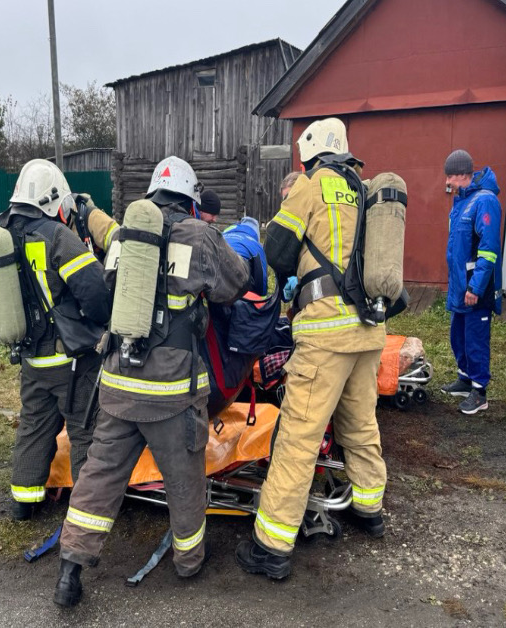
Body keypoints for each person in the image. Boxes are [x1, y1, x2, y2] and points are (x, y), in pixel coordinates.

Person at [54, 156, 250, 607]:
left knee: (100, 476)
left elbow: (107, 289)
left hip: (119, 383)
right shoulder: (202, 235)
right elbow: (234, 285)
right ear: (190, 197)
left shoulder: (125, 234)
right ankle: (189, 561)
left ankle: (70, 568)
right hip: (171, 392)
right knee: (184, 480)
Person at [235, 117, 388, 579]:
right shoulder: (362, 189)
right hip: (368, 331)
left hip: (325, 333)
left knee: (298, 438)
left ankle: (272, 547)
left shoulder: (310, 184)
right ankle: (369, 509)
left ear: (310, 152)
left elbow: (276, 250)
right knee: (360, 423)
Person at [0, 159, 111, 520]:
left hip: (31, 358)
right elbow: (95, 295)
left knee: (34, 425)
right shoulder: (57, 236)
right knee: (83, 427)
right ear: (52, 199)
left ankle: (24, 500)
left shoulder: (3, 234)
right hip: (69, 360)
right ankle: (87, 506)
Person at [439, 149, 502, 415]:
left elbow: (488, 249)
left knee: (475, 338)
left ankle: (479, 393)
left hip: (476, 289)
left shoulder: (484, 201)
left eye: (451, 176)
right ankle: (465, 379)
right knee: (459, 336)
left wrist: (475, 287)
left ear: (464, 174)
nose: (448, 182)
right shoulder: (462, 202)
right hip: (460, 288)